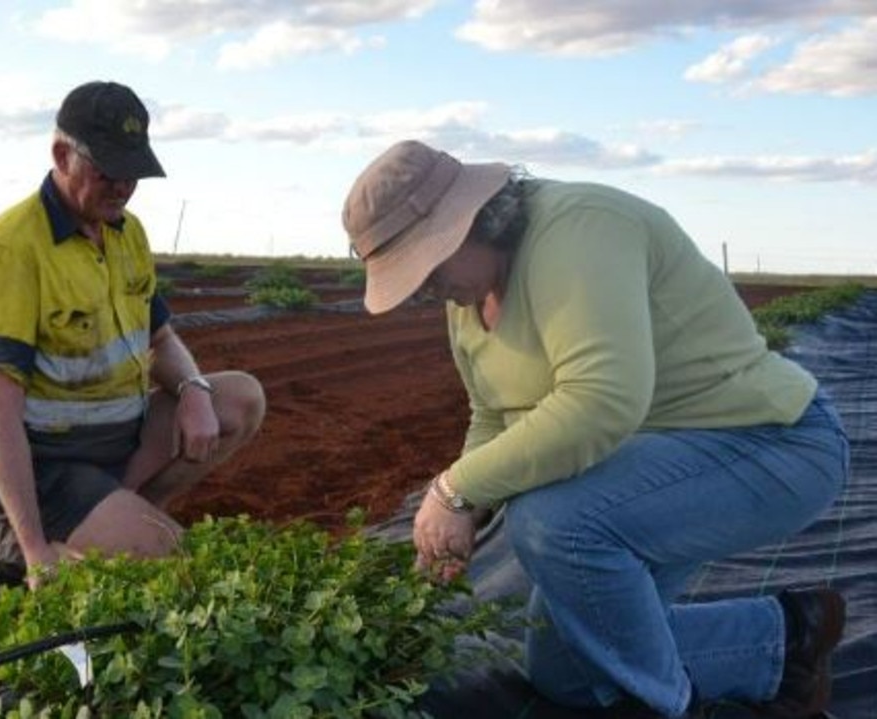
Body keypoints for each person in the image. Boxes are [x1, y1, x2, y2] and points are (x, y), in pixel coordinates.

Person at [341, 140, 849, 718]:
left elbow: (602, 401)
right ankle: (786, 637)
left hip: (769, 444)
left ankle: (668, 707)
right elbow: (493, 414)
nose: (425, 291)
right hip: (656, 466)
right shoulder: (469, 295)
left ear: (471, 223)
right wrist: (466, 514)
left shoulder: (581, 228)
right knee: (567, 675)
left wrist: (452, 489)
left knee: (556, 521)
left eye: (426, 269)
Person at [0, 80, 265, 600]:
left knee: (239, 398)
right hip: (51, 461)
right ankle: (17, 540)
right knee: (175, 567)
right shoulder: (12, 248)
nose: (123, 186)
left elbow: (161, 337)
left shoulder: (128, 232)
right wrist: (36, 553)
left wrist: (192, 391)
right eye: (108, 170)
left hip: (121, 439)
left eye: (133, 172)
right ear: (61, 154)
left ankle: (125, 514)